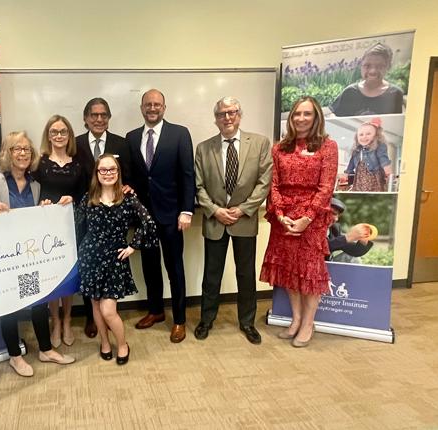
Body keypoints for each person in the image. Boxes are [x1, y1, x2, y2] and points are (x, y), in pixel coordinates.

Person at [0, 131, 75, 377]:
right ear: (7, 153)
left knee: (38, 301)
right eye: (17, 149)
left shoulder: (36, 185)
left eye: (27, 149)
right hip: (3, 259)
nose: (23, 153)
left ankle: (45, 349)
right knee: (9, 306)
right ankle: (15, 355)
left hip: (28, 256)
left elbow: (38, 221)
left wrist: (47, 209)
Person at [260, 96, 338, 348]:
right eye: (296, 114)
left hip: (311, 220)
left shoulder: (328, 146)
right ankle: (295, 319)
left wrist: (307, 217)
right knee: (288, 269)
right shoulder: (279, 148)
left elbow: (327, 187)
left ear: (316, 117)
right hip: (283, 218)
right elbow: (274, 185)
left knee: (310, 272)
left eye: (307, 114)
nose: (301, 119)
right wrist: (281, 215)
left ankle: (307, 323)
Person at [194, 97, 273, 343]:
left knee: (245, 275)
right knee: (211, 275)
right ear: (215, 118)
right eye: (222, 114)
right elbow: (198, 186)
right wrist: (216, 210)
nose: (227, 117)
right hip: (215, 221)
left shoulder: (259, 143)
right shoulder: (203, 148)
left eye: (232, 112)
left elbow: (264, 182)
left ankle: (247, 322)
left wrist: (242, 210)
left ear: (240, 114)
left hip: (245, 220)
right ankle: (206, 320)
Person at [126, 89, 195, 343]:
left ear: (164, 107)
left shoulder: (180, 133)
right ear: (141, 108)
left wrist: (186, 210)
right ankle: (155, 311)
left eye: (157, 104)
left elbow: (188, 174)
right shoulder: (132, 137)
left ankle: (179, 320)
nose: (152, 108)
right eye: (148, 104)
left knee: (174, 268)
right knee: (150, 267)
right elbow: (134, 176)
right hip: (144, 217)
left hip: (172, 215)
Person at [77, 154, 158, 364]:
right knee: (95, 306)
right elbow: (75, 227)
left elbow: (148, 223)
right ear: (97, 173)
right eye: (103, 170)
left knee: (108, 310)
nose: (108, 173)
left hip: (114, 260)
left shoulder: (128, 197)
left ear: (118, 172)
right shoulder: (87, 198)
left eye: (112, 169)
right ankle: (104, 342)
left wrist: (133, 246)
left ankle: (122, 344)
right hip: (91, 258)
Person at [75, 97, 132, 338]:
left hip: (112, 215)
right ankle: (91, 315)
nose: (99, 119)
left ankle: (110, 314)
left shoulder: (122, 143)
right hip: (85, 215)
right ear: (86, 119)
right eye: (94, 115)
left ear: (108, 118)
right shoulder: (75, 143)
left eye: (104, 115)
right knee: (90, 269)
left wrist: (128, 187)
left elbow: (129, 173)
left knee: (109, 269)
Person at [32, 115, 88, 348]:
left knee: (69, 275)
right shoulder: (39, 163)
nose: (58, 135)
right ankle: (54, 321)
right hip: (47, 230)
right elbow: (29, 194)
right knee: (53, 277)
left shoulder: (78, 163)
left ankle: (67, 320)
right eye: (54, 131)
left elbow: (86, 194)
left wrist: (73, 199)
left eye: (63, 131)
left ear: (69, 135)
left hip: (72, 227)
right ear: (48, 135)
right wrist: (40, 204)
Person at [330, 43, 404, 116]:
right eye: (367, 65)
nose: (373, 71)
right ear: (361, 66)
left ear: (388, 67)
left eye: (379, 66)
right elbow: (332, 116)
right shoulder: (349, 92)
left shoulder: (395, 94)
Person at [341, 118, 392, 192]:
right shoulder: (357, 150)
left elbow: (383, 159)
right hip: (359, 178)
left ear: (376, 136)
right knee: (359, 191)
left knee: (374, 192)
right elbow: (351, 163)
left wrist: (388, 171)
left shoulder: (378, 146)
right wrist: (346, 174)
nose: (364, 137)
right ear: (357, 137)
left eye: (368, 134)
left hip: (373, 177)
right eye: (361, 135)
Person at [327, 197, 373, 262]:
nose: (336, 219)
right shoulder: (310, 226)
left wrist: (363, 241)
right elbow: (319, 248)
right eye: (333, 213)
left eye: (337, 215)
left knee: (352, 258)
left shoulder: (334, 229)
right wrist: (348, 237)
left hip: (327, 265)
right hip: (312, 267)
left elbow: (354, 251)